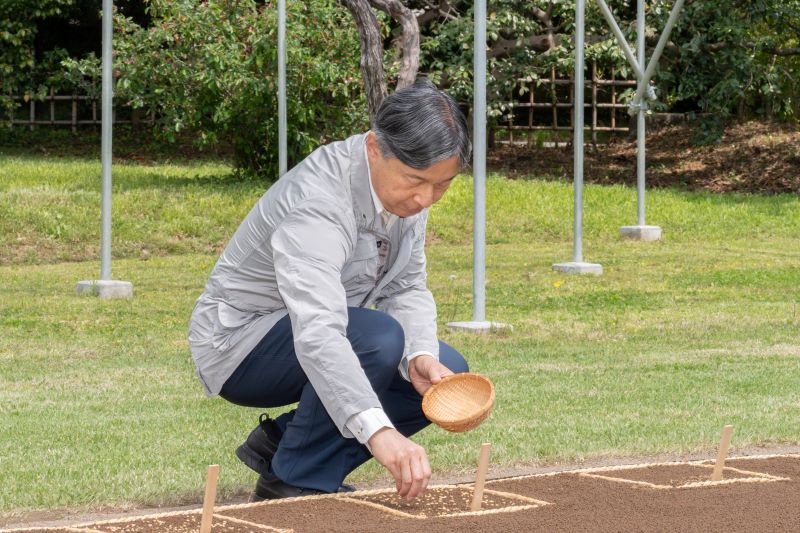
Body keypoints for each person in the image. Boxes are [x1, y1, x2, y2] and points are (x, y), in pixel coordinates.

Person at [188, 78, 471, 502]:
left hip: (325, 332)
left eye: (442, 185)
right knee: (377, 340)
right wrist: (381, 434)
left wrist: (421, 356)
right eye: (416, 180)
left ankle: (284, 444)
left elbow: (406, 286)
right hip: (239, 347)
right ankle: (292, 482)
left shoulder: (406, 192)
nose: (426, 199)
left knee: (443, 368)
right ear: (375, 149)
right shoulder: (318, 201)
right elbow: (319, 331)